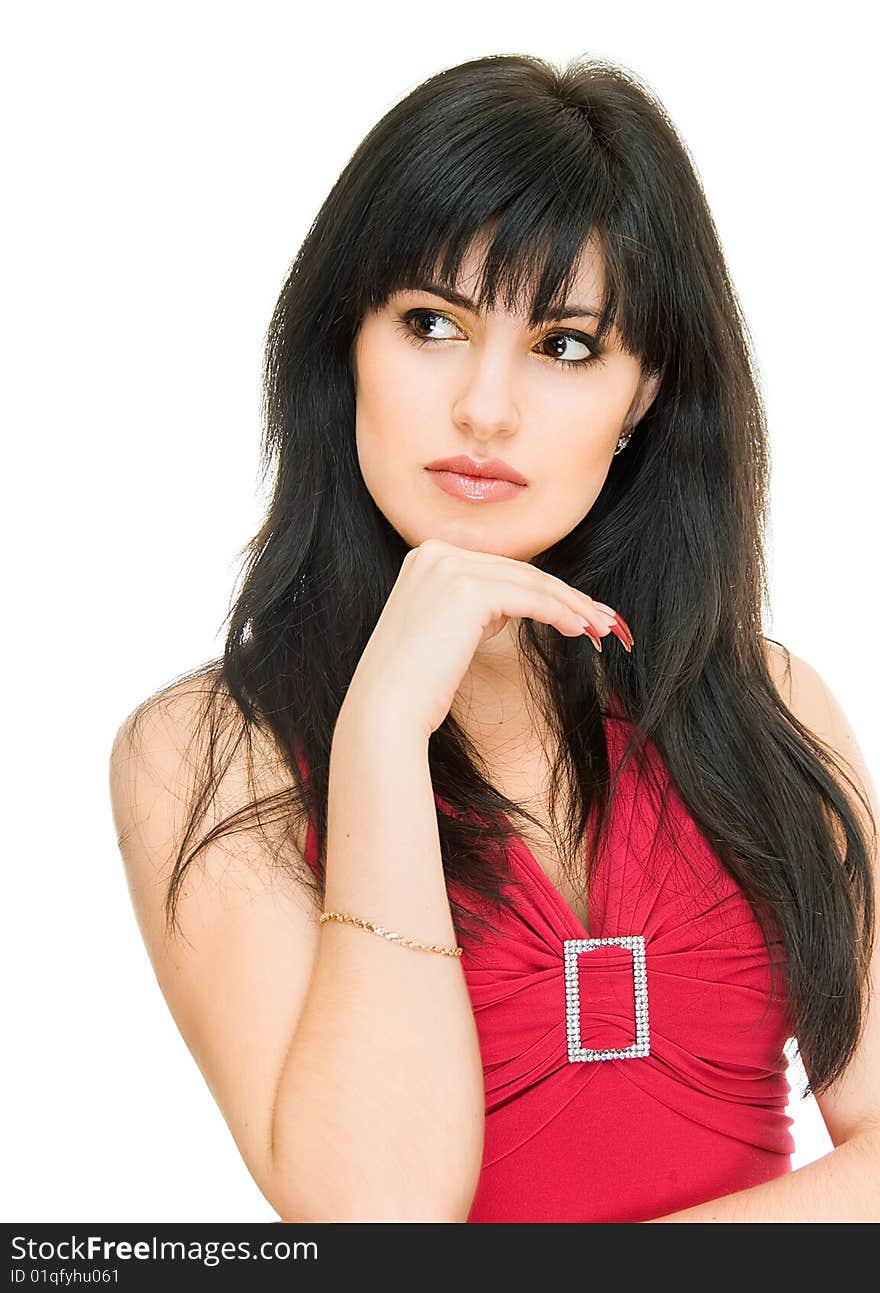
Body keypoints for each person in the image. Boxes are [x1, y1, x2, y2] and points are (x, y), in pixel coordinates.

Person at [108, 53, 879, 1223]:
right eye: (431, 323)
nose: (484, 408)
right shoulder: (203, 752)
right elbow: (379, 1218)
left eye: (565, 345)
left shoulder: (766, 703)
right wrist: (379, 728)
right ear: (343, 347)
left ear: (644, 396)